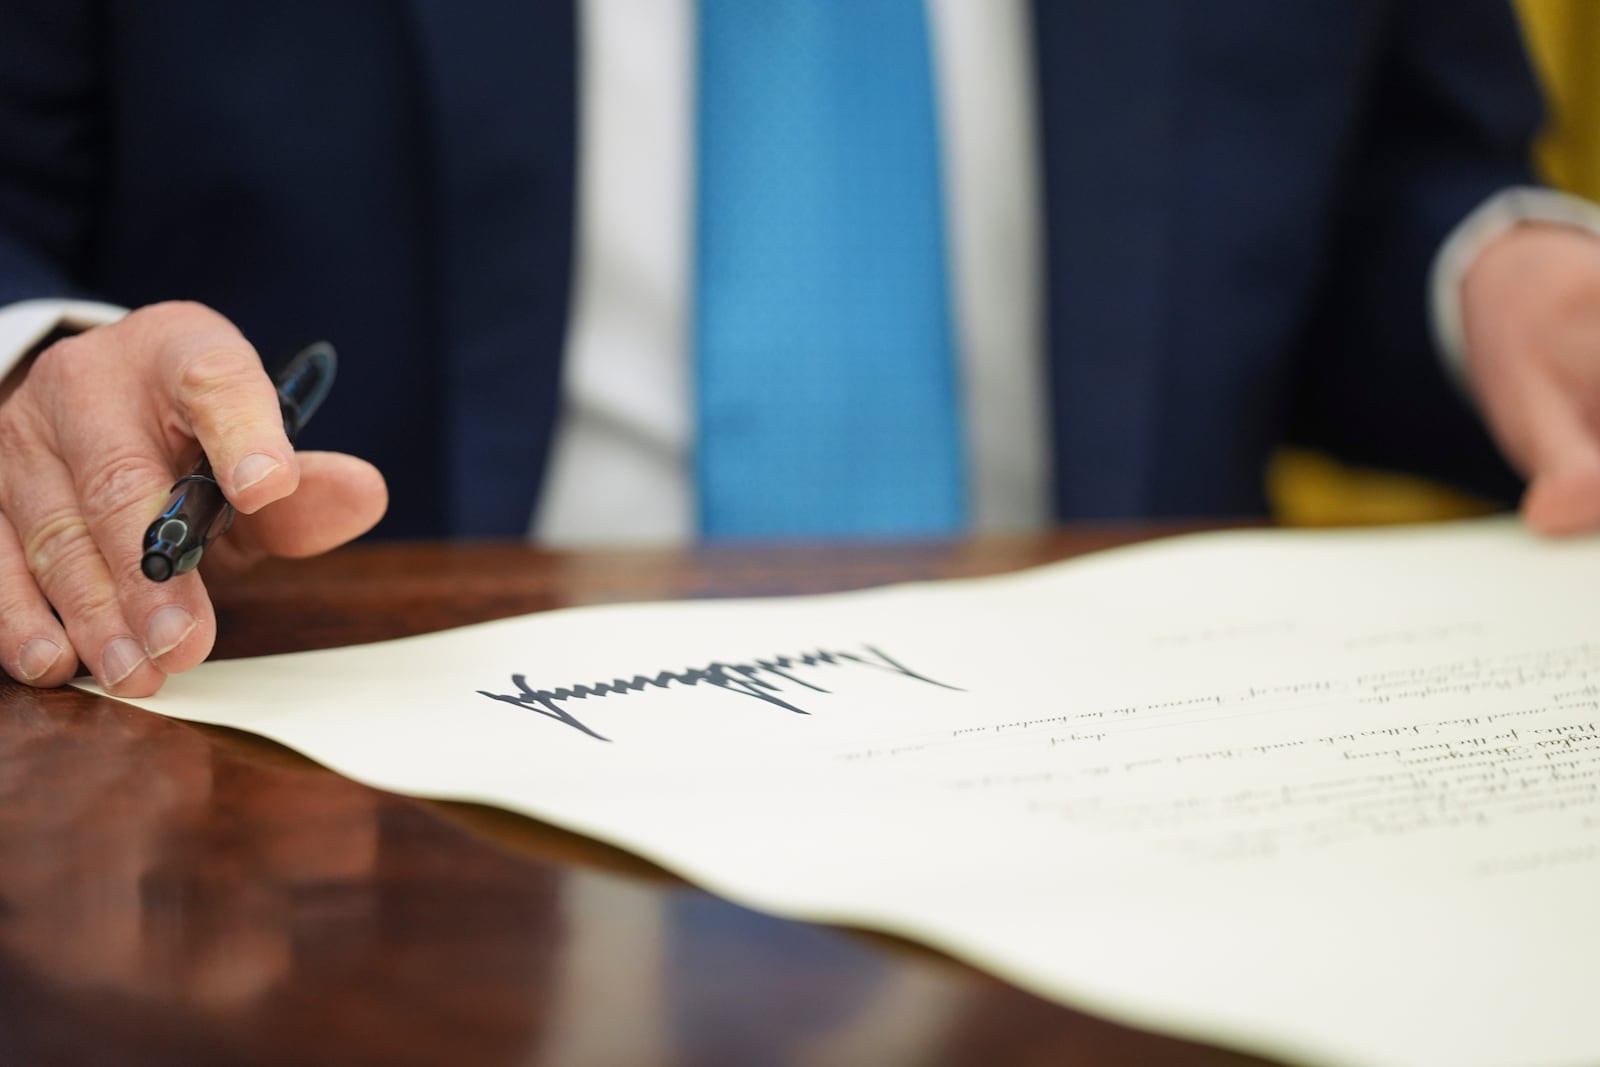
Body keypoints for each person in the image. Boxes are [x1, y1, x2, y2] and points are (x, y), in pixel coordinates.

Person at [3, 0, 1600, 700]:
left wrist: (1494, 287)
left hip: (1160, 760)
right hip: (335, 794)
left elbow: (1378, 186)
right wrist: (33, 377)